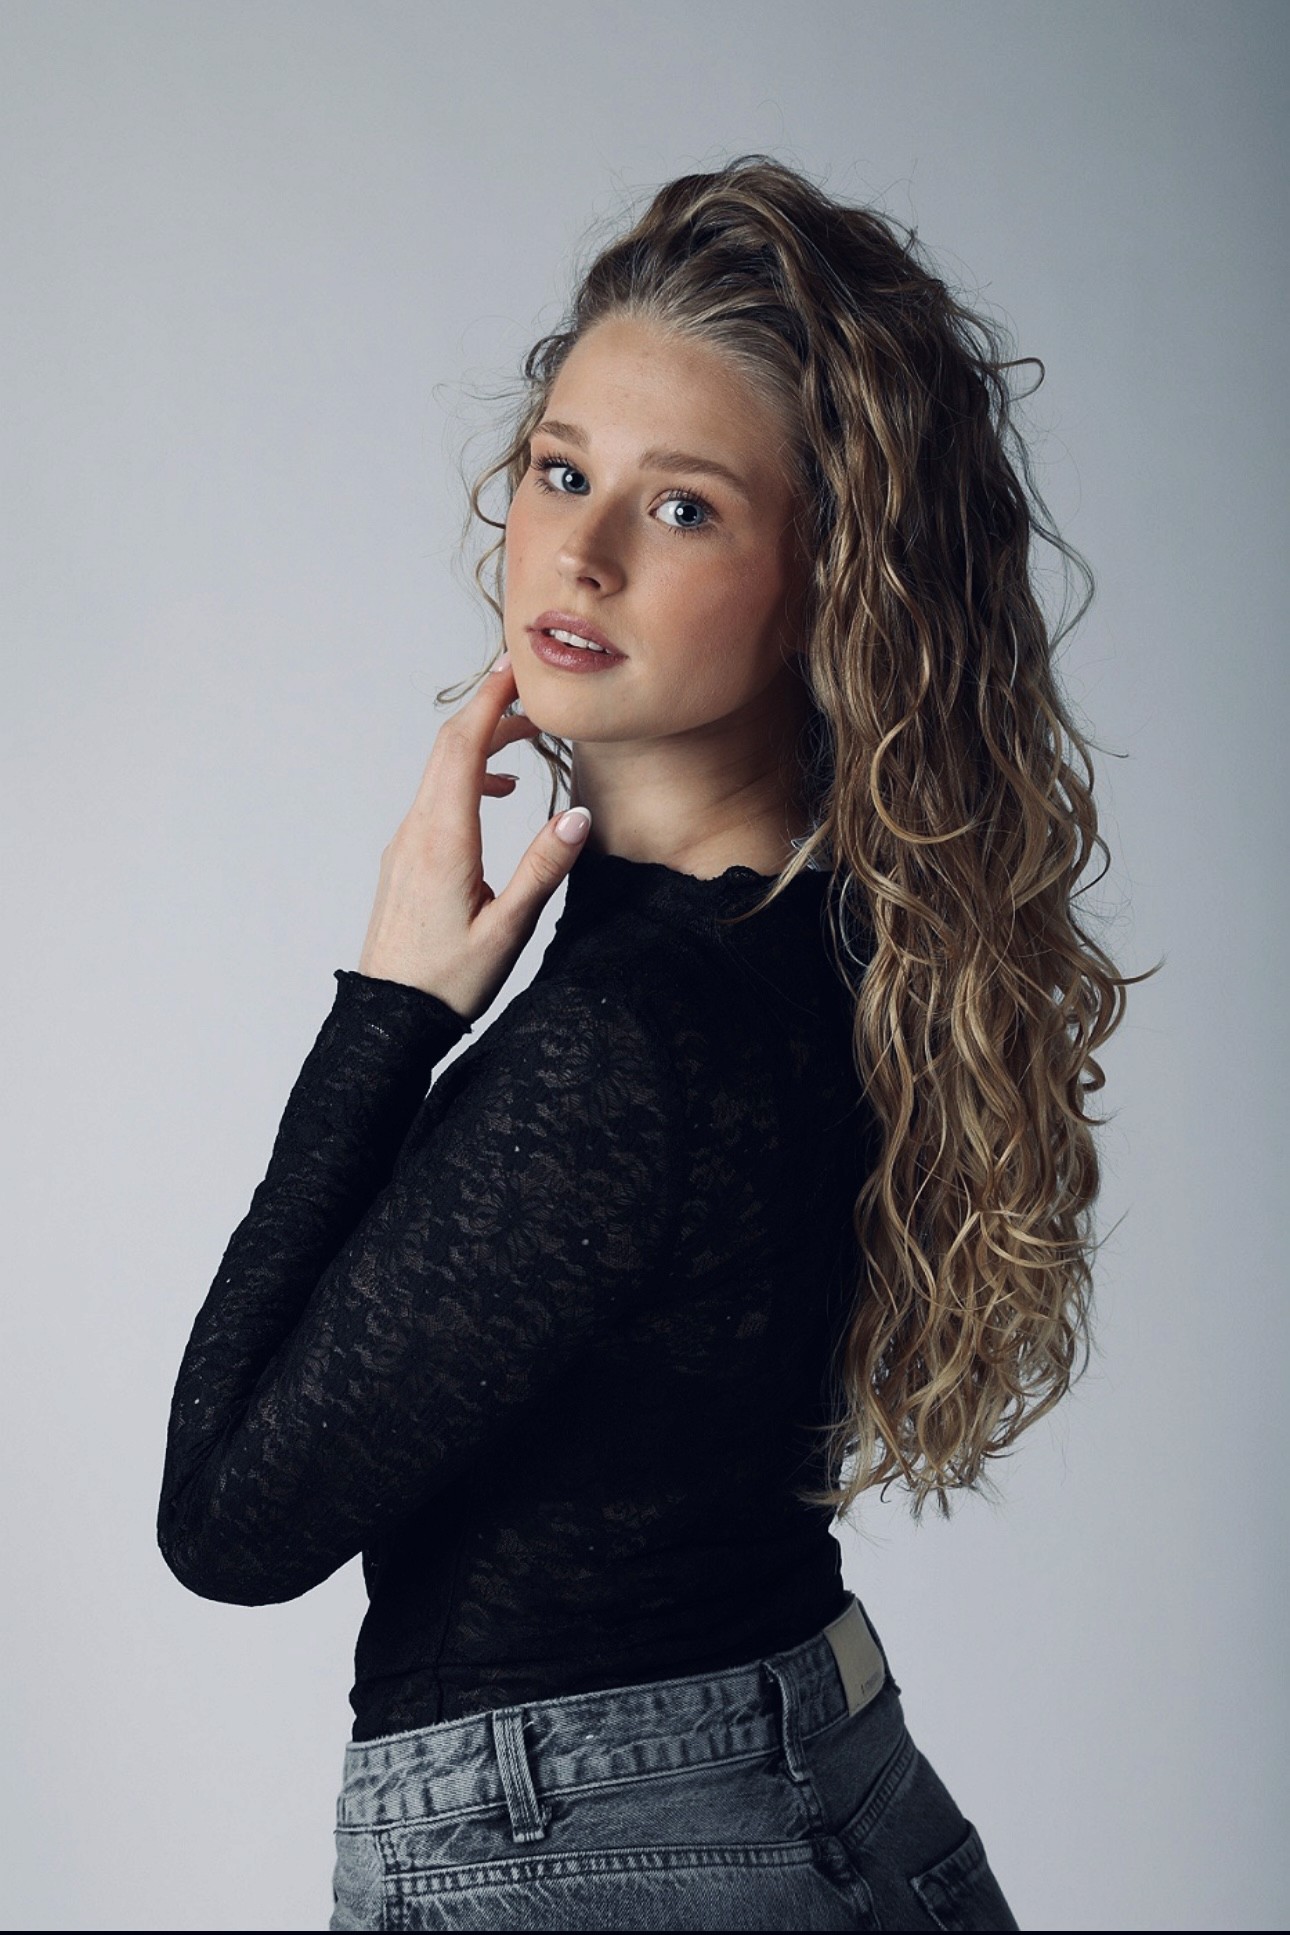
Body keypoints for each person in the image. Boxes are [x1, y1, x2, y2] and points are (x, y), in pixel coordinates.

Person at [157, 154, 1139, 1931]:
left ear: (826, 583)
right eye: (561, 471)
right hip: (804, 1785)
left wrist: (388, 1011)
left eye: (683, 508)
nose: (581, 551)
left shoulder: (626, 1046)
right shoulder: (826, 943)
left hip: (594, 1846)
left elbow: (228, 1523)